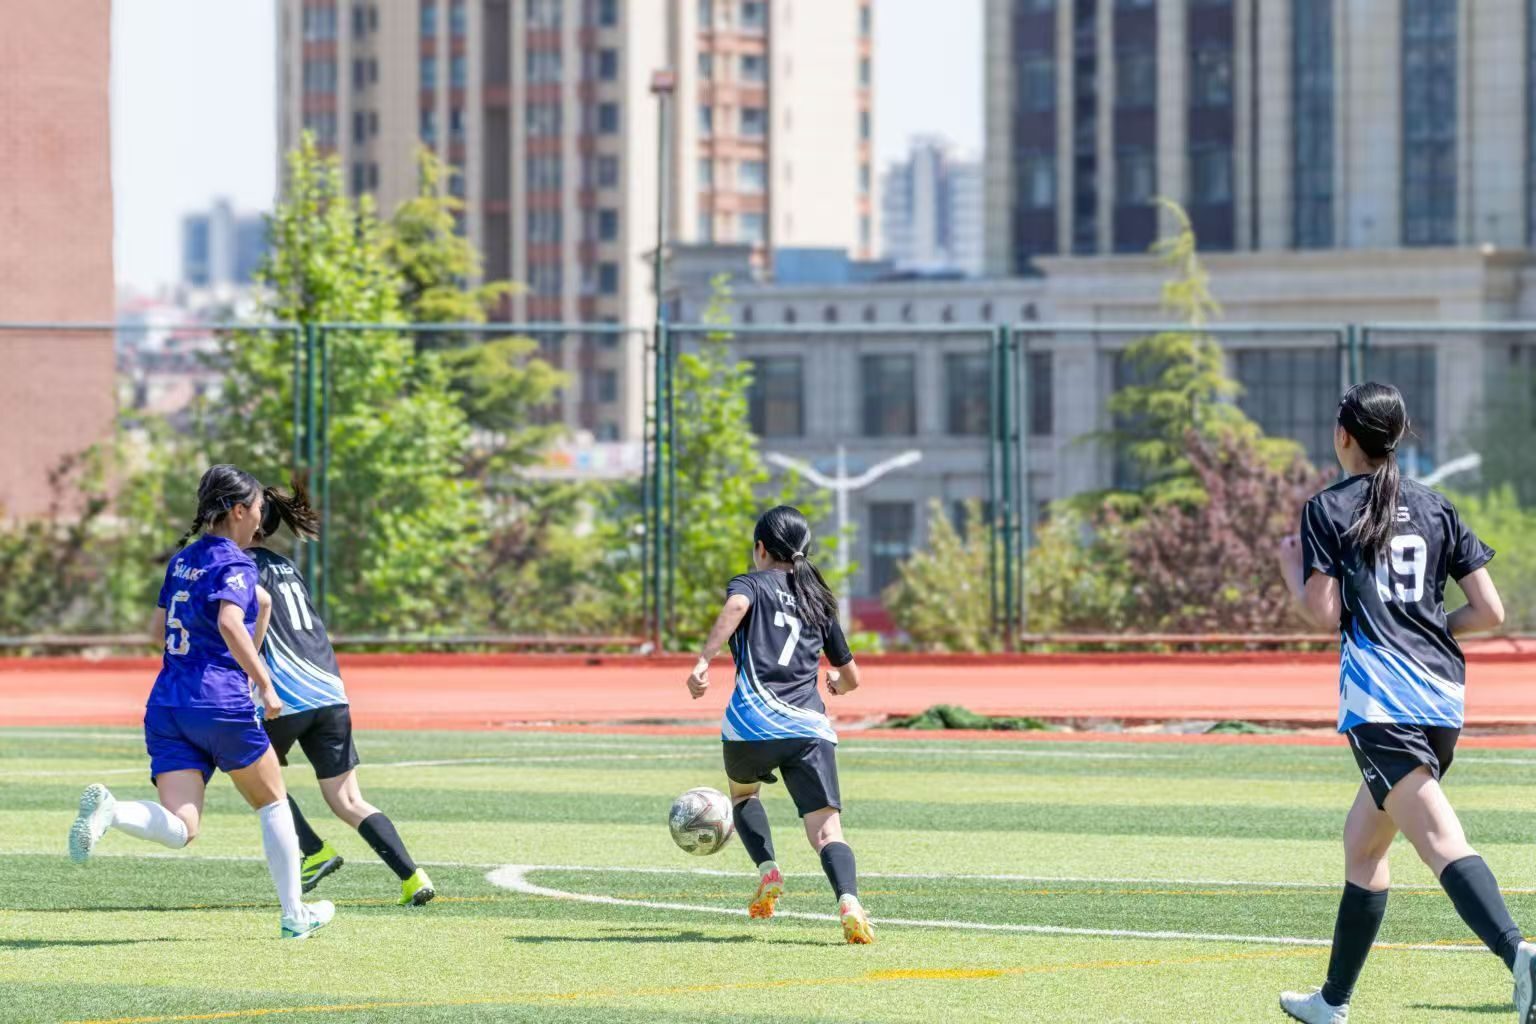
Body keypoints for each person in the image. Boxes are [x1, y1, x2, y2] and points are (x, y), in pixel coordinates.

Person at [1275, 383, 1535, 1023]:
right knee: (1363, 846)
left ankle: (1521, 955)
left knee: (1442, 841)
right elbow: (1491, 612)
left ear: (1344, 437)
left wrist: (1288, 570)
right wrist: (1425, 623)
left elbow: (1323, 612)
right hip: (1442, 697)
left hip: (1381, 701)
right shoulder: (1436, 506)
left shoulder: (1327, 508)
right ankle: (1332, 1003)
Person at [67, 464, 334, 940]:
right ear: (237, 510)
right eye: (257, 509)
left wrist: (258, 611)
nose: (260, 519)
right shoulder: (237, 562)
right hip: (221, 704)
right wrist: (265, 683)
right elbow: (231, 623)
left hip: (168, 705)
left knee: (182, 826)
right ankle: (296, 914)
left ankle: (113, 810)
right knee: (273, 802)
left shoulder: (184, 560)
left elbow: (157, 632)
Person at [685, 505, 873, 944]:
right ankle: (849, 902)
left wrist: (702, 660)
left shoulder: (750, 583)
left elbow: (736, 605)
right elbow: (852, 677)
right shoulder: (819, 599)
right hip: (808, 727)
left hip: (750, 724)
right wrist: (837, 686)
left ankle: (768, 870)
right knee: (827, 832)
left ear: (760, 549)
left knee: (744, 794)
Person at [247, 477, 435, 906]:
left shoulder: (242, 566)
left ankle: (313, 851)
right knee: (349, 799)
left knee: (247, 769)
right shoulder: (287, 567)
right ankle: (413, 877)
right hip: (330, 690)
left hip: (287, 694)